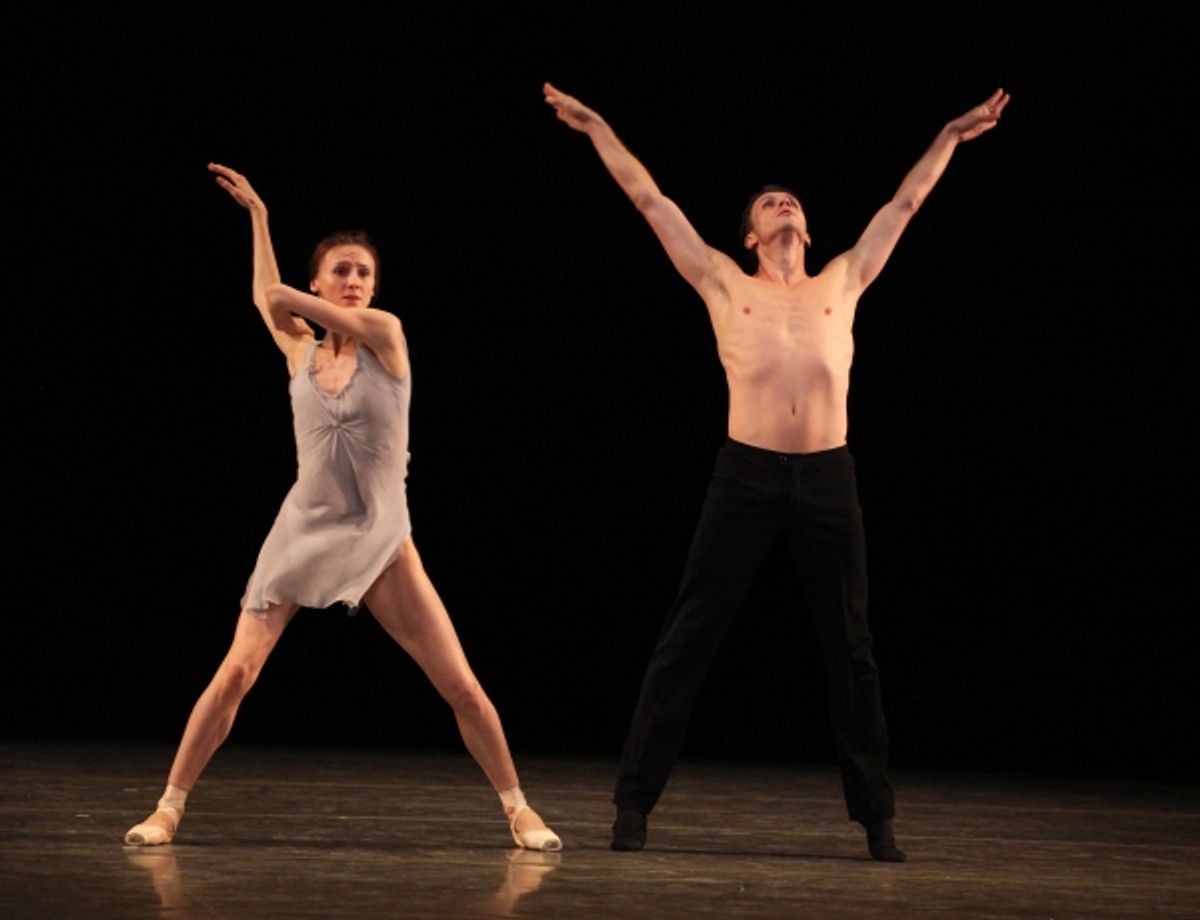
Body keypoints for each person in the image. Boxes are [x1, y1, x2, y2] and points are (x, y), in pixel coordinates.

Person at [544, 82, 1009, 861]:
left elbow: (904, 204)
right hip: (746, 476)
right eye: (769, 204)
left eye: (791, 200)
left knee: (851, 647)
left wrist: (952, 136)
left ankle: (877, 820)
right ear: (753, 236)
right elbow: (650, 199)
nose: (783, 205)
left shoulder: (844, 280)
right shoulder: (726, 282)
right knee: (688, 637)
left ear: (806, 226)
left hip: (828, 477)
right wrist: (596, 126)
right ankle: (633, 805)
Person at [124, 164, 561, 852]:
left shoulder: (387, 337)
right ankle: (168, 808)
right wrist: (260, 218)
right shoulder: (299, 352)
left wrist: (287, 294)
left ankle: (519, 809)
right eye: (342, 272)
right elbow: (267, 303)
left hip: (380, 537)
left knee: (461, 685)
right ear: (321, 280)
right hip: (303, 529)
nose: (355, 281)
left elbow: (274, 297)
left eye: (363, 273)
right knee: (236, 672)